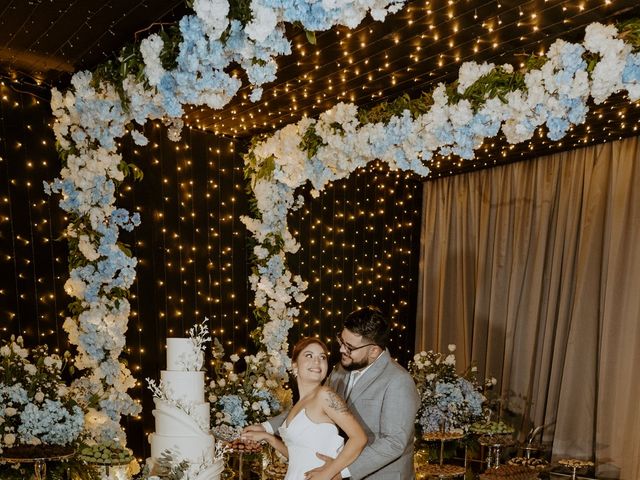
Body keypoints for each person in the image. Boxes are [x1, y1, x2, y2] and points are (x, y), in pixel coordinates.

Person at [246, 306, 420, 479]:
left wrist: (339, 471)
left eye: (350, 347)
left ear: (373, 351)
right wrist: (266, 428)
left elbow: (394, 443)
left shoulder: (398, 381)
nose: (342, 350)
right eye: (341, 341)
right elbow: (309, 405)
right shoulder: (340, 370)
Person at [242, 337, 367, 480]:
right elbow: (298, 456)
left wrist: (329, 472)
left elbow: (359, 438)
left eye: (322, 357)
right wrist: (269, 438)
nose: (317, 361)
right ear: (294, 366)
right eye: (309, 355)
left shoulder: (325, 395)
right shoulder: (298, 405)